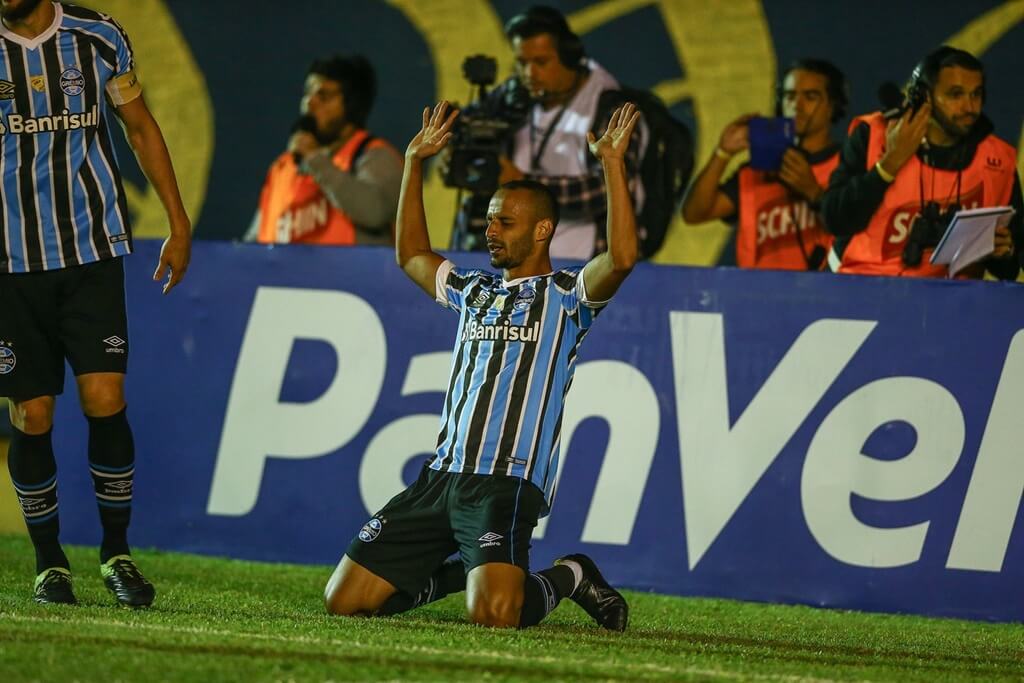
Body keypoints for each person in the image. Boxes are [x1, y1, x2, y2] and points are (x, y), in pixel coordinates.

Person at [323, 100, 641, 631]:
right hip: (441, 476)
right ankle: (459, 573)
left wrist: (610, 161)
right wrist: (413, 162)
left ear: (542, 231)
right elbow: (410, 255)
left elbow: (623, 258)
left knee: (495, 616)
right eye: (489, 220)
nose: (491, 230)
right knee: (344, 601)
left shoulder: (566, 297)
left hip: (504, 484)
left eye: (505, 222)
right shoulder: (475, 290)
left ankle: (570, 575)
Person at [0, 0, 191, 606]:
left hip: (89, 252)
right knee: (32, 414)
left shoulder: (98, 35)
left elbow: (139, 126)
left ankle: (116, 553)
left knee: (105, 396)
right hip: (9, 262)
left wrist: (177, 222)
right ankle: (49, 561)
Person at [453, 5, 643, 260]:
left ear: (570, 57)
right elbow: (466, 125)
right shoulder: (515, 94)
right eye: (521, 63)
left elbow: (608, 189)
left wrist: (520, 182)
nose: (529, 73)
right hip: (514, 261)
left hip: (581, 263)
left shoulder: (609, 108)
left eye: (541, 62)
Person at [821, 46, 1022, 278]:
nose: (970, 107)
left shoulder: (998, 159)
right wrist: (889, 165)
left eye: (976, 94)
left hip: (951, 301)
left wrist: (1002, 254)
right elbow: (835, 218)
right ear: (924, 96)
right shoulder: (874, 135)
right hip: (863, 287)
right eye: (955, 94)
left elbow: (1010, 268)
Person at [681, 59, 847, 271]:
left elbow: (863, 230)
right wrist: (722, 153)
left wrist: (814, 193)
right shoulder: (755, 170)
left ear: (833, 106)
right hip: (760, 297)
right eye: (789, 96)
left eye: (811, 96)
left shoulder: (849, 164)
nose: (797, 105)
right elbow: (694, 213)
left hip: (828, 296)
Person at [247, 54, 402, 246]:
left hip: (349, 276)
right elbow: (256, 240)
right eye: (307, 93)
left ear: (352, 105)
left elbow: (374, 212)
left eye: (323, 96)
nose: (309, 103)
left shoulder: (375, 156)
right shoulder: (283, 167)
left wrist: (315, 161)